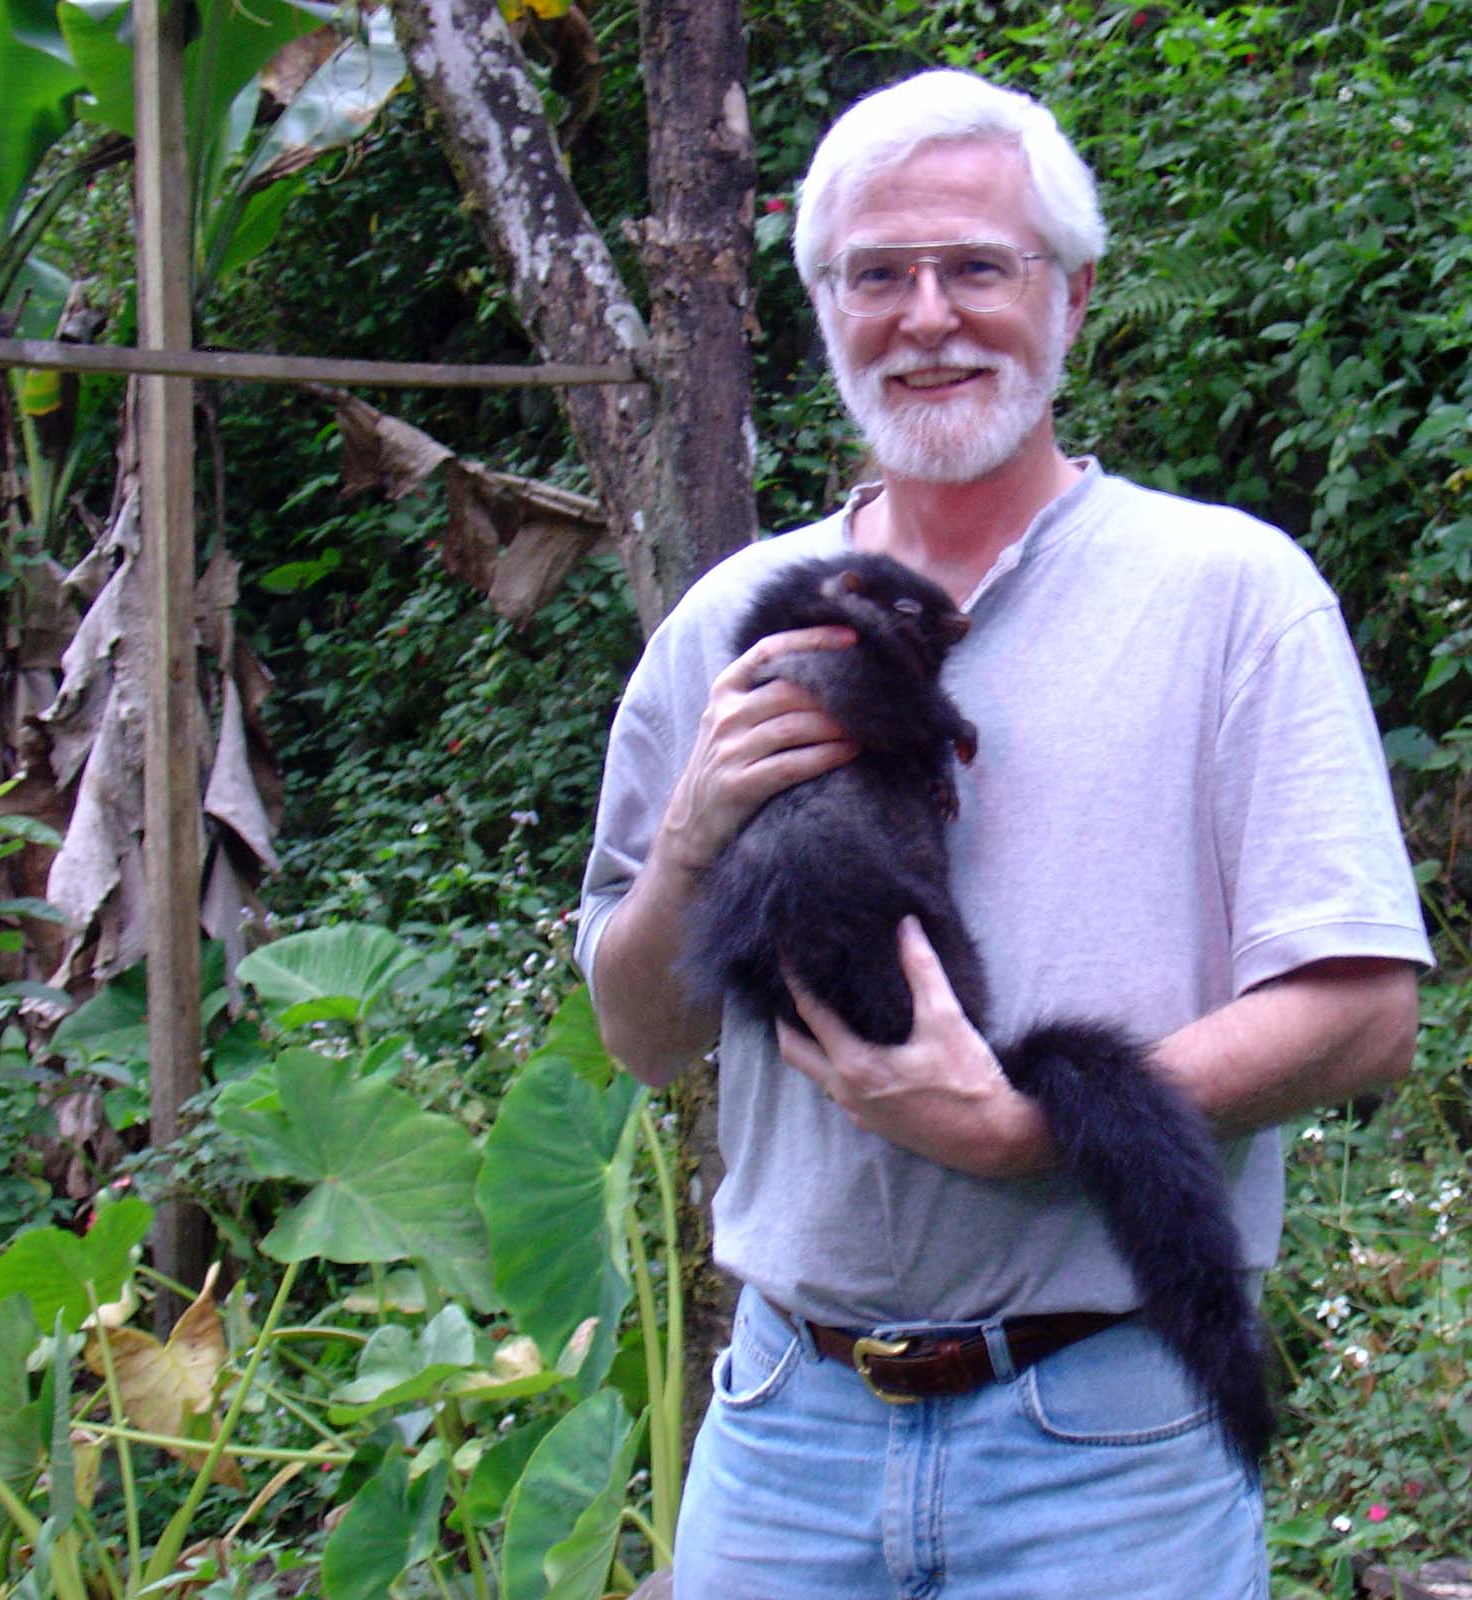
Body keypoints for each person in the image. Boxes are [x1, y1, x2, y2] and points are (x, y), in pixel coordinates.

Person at [574, 68, 1430, 1599]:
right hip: (785, 1434)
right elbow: (642, 1033)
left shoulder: (1231, 593)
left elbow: (1365, 1012)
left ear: (1074, 297)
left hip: (1107, 1438)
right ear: (821, 307)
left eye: (978, 266)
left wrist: (1030, 1133)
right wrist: (696, 832)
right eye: (877, 275)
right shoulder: (726, 623)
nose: (927, 317)